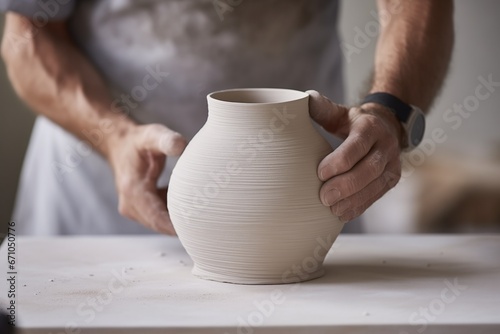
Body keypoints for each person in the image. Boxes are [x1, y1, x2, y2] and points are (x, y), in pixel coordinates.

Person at [0, 0, 454, 235]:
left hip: (306, 199)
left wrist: (388, 112)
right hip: (99, 191)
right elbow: (26, 35)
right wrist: (115, 138)